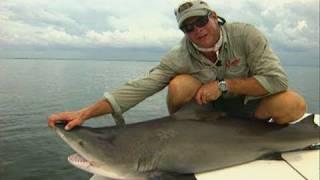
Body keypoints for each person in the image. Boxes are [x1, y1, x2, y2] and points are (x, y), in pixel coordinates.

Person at [48, 0, 306, 130]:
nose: (197, 30)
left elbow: (277, 80)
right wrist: (85, 114)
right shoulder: (178, 55)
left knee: (294, 104)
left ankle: (255, 138)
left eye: (201, 21)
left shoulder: (247, 35)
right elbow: (139, 87)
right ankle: (184, 134)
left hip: (251, 109)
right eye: (188, 27)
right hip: (208, 113)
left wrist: (225, 85)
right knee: (179, 84)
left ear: (213, 16)